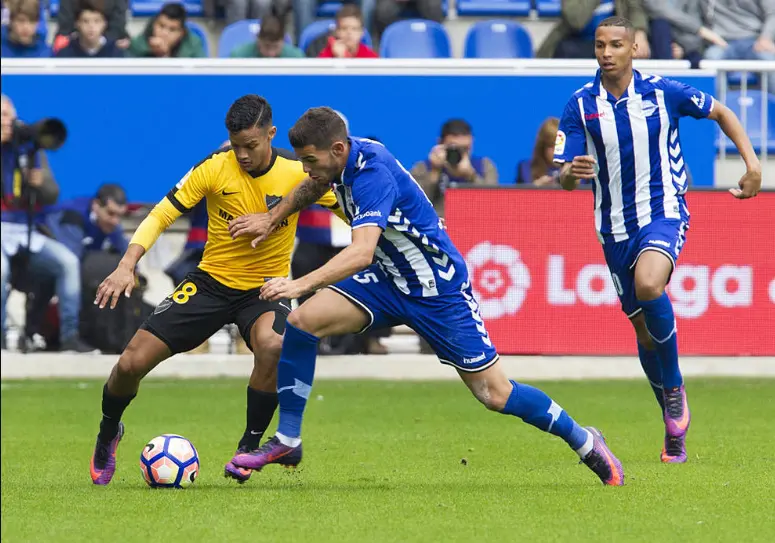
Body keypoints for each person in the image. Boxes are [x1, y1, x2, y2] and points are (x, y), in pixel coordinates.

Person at [227, 107, 626, 486]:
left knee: (495, 394)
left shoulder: (372, 175)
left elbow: (361, 252)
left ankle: (585, 441)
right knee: (302, 322)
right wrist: (271, 217)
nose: (306, 169)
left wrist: (299, 284)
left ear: (337, 149)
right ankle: (289, 441)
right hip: (388, 281)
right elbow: (313, 185)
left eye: (310, 160)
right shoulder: (341, 158)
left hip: (438, 290)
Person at [88, 95, 346, 486]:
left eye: (250, 146)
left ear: (270, 134)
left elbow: (355, 212)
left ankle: (250, 444)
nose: (241, 154)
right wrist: (127, 264)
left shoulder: (299, 174)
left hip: (267, 289)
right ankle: (109, 432)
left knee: (274, 346)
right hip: (209, 283)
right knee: (129, 365)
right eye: (235, 145)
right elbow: (162, 213)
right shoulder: (214, 167)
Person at [553, 16, 761, 463]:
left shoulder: (664, 91)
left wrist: (753, 164)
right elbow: (563, 175)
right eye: (599, 45)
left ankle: (675, 388)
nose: (606, 53)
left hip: (664, 211)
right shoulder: (579, 105)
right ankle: (673, 429)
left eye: (615, 45)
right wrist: (572, 172)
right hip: (612, 227)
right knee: (644, 333)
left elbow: (722, 111)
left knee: (650, 285)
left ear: (635, 49)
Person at [55, 1, 125, 58]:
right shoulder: (65, 54)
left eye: (97, 21)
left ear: (104, 24)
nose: (91, 26)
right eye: (85, 21)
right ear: (77, 24)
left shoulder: (115, 53)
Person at [515, 117, 562, 186]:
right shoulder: (525, 169)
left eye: (559, 145)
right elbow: (516, 196)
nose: (556, 151)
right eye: (551, 145)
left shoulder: (577, 172)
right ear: (542, 147)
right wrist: (535, 188)